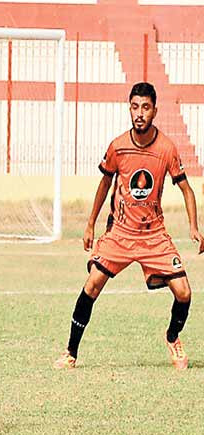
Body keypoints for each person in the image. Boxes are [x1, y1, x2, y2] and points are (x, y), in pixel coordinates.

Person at [55, 82, 203, 370]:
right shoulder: (118, 146)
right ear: (129, 108)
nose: (139, 113)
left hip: (154, 235)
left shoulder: (166, 148)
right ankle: (70, 352)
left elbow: (187, 190)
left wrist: (194, 227)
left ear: (155, 111)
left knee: (184, 292)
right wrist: (90, 225)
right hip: (120, 234)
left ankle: (172, 337)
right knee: (92, 285)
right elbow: (104, 184)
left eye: (145, 107)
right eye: (135, 107)